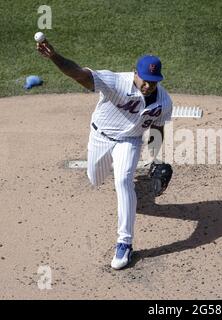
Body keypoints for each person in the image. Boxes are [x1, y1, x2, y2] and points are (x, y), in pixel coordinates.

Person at [36, 39, 173, 270]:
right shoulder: (115, 82)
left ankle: (124, 243)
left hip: (129, 142)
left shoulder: (163, 102)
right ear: (134, 73)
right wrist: (54, 57)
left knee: (122, 180)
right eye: (144, 80)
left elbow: (157, 128)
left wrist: (154, 158)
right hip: (100, 136)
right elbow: (79, 74)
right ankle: (130, 189)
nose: (148, 85)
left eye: (153, 82)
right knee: (95, 178)